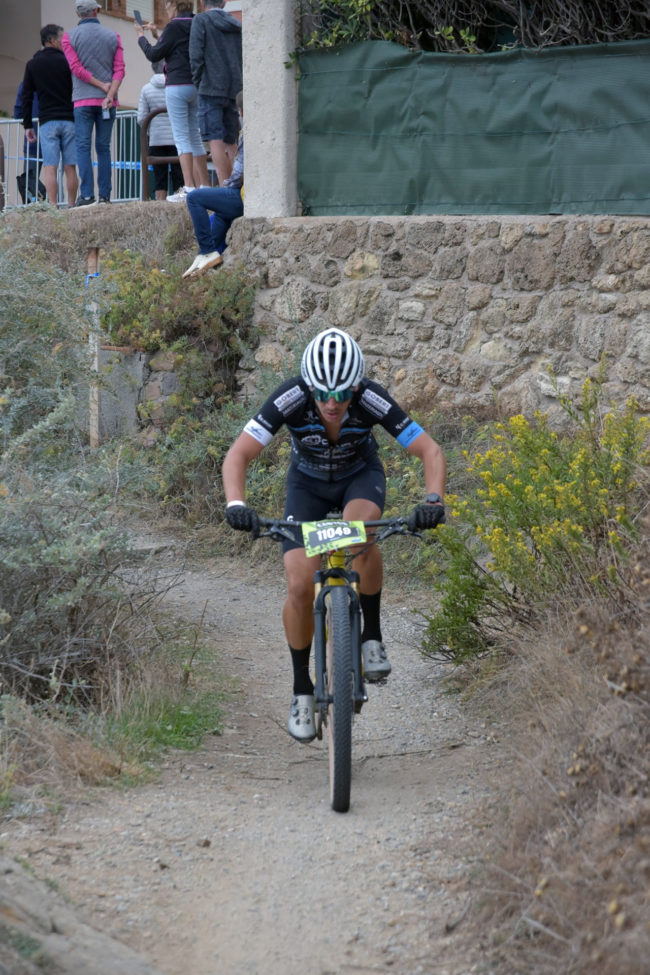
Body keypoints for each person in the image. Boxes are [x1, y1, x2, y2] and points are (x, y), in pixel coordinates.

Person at [222, 328, 447, 742]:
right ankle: (301, 689)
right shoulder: (291, 396)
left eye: (342, 394)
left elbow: (429, 450)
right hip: (306, 486)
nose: (332, 402)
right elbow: (239, 454)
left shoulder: (370, 398)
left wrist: (433, 499)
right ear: (310, 386)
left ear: (355, 386)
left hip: (358, 478)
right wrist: (236, 504)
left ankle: (371, 636)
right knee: (298, 584)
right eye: (323, 393)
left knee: (358, 535)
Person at [135, 1, 210, 202]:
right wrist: (157, 35)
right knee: (195, 136)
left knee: (181, 137)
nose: (165, 9)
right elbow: (178, 47)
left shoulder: (174, 26)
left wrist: (141, 37)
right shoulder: (197, 22)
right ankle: (205, 185)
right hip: (196, 84)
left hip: (177, 85)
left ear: (174, 5)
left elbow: (154, 54)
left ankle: (189, 187)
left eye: (167, 5)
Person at [62, 1, 125, 206]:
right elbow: (120, 69)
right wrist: (110, 92)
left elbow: (76, 68)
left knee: (83, 147)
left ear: (77, 13)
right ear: (96, 11)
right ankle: (105, 196)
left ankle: (87, 195)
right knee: (104, 148)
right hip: (108, 102)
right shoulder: (113, 36)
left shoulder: (69, 37)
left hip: (82, 100)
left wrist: (99, 85)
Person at [182, 89, 243, 278]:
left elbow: (240, 174)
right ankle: (205, 257)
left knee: (194, 198)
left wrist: (226, 186)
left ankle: (208, 251)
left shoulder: (249, 134)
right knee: (220, 214)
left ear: (240, 112)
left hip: (242, 196)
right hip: (244, 196)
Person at [21, 24, 78, 207]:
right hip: (69, 120)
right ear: (52, 40)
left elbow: (26, 97)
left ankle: (53, 206)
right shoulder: (68, 62)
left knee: (50, 167)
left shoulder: (33, 65)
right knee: (70, 166)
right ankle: (71, 205)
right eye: (62, 38)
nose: (64, 42)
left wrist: (28, 125)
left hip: (47, 122)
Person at [189, 0, 242, 186]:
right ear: (224, 2)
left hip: (210, 86)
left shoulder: (201, 21)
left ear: (202, 2)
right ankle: (238, 185)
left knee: (214, 138)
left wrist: (199, 82)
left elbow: (195, 56)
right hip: (233, 88)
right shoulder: (236, 24)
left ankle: (224, 186)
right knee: (231, 139)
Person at [137, 61, 183, 200]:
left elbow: (141, 118)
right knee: (179, 175)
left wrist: (150, 130)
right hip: (177, 137)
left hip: (156, 139)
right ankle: (180, 202)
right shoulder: (177, 86)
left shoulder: (146, 89)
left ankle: (160, 203)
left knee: (159, 177)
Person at [13, 83, 46, 204]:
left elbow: (18, 114)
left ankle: (32, 209)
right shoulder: (56, 79)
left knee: (29, 183)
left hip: (32, 142)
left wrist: (29, 124)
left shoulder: (25, 85)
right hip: (55, 141)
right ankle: (56, 207)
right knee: (56, 179)